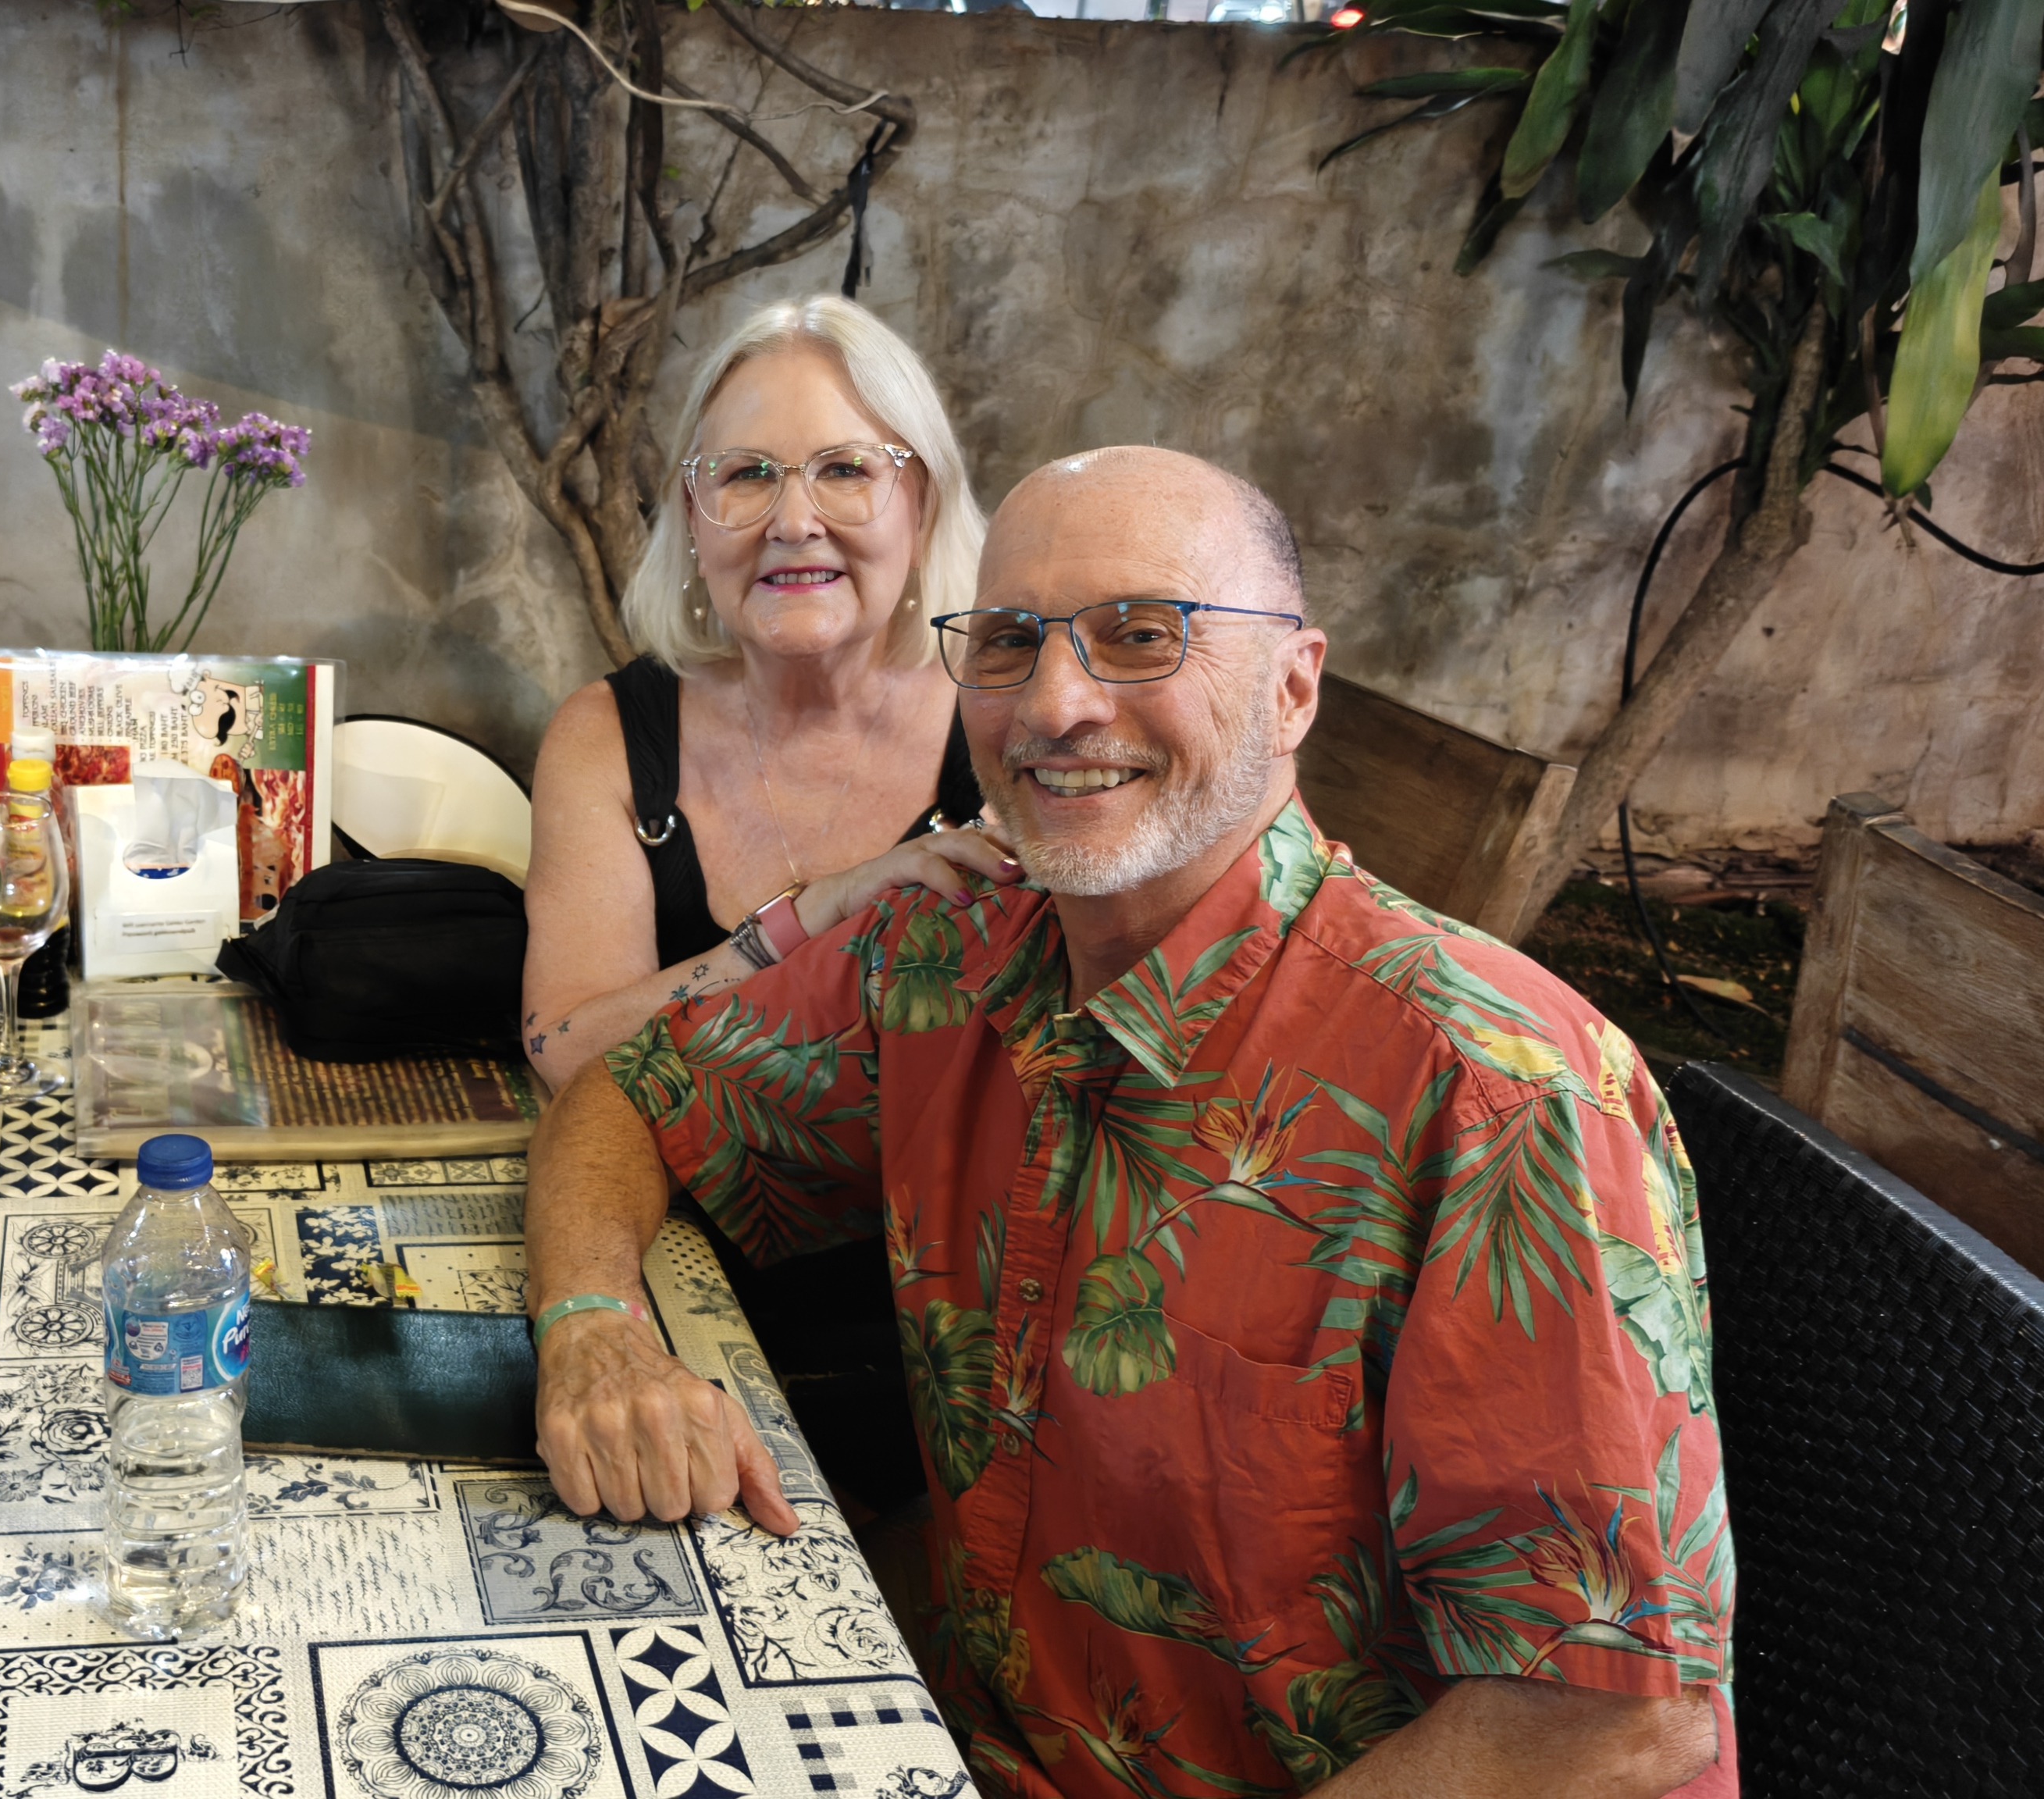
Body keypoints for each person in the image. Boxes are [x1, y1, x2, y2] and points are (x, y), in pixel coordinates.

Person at [522, 446, 1735, 1796]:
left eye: (1143, 636)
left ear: (1293, 686)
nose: (1056, 704)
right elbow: (632, 1094)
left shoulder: (1502, 1095)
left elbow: (1608, 1725)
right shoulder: (945, 953)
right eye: (1008, 641)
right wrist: (592, 1329)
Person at [519, 297, 1019, 1516]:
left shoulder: (1015, 730)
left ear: (923, 502)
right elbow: (568, 1049)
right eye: (745, 475)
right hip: (674, 1278)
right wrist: (809, 915)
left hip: (952, 1342)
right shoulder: (611, 733)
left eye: (847, 469)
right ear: (694, 520)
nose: (794, 519)